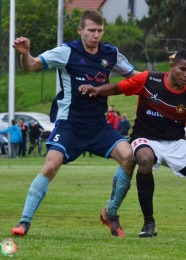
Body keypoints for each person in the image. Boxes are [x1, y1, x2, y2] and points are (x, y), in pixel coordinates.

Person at [79, 49, 186, 238]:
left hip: (175, 142)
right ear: (172, 66)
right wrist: (96, 90)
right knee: (145, 159)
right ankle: (149, 222)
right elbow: (117, 88)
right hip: (144, 137)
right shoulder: (148, 80)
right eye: (183, 69)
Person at [11, 10, 139, 237]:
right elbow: (30, 65)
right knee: (50, 166)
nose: (96, 35)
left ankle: (110, 213)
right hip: (70, 125)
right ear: (81, 30)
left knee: (129, 157)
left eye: (100, 31)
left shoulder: (111, 54)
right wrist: (25, 53)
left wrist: (161, 80)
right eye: (91, 30)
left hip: (99, 126)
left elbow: (136, 77)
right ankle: (24, 222)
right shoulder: (66, 52)